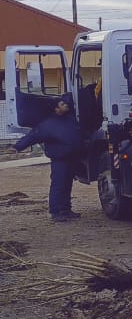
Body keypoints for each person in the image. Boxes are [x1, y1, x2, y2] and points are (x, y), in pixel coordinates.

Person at [14, 94, 83, 223]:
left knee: (67, 184)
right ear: (56, 109)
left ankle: (66, 209)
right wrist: (17, 147)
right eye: (62, 104)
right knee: (58, 185)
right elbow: (32, 137)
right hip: (60, 160)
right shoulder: (48, 125)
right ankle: (56, 212)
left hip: (71, 157)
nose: (65, 105)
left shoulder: (70, 119)